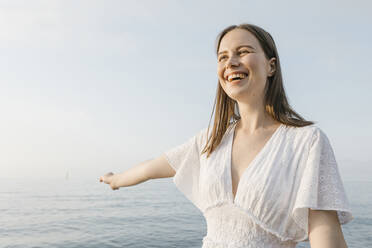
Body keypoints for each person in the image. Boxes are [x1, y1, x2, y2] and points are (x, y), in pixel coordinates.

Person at [99, 23, 353, 248]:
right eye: (223, 57)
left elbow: (326, 234)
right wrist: (116, 179)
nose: (230, 62)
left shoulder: (305, 142)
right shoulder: (211, 140)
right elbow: (152, 168)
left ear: (271, 66)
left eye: (243, 52)